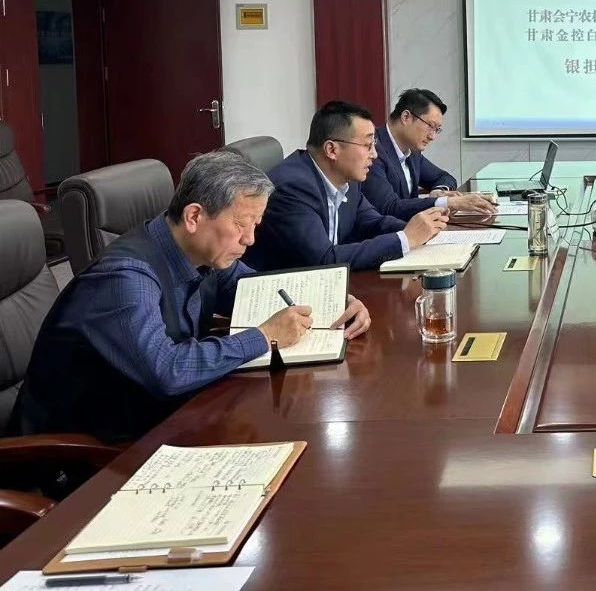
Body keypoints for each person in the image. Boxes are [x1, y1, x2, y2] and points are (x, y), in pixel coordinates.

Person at [12, 151, 372, 442]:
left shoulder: (204, 253)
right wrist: (264, 336)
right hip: (89, 453)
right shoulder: (126, 279)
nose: (250, 240)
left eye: (255, 226)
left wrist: (333, 301)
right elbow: (167, 370)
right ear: (194, 216)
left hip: (162, 418)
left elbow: (255, 289)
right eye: (240, 225)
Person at [243, 101, 449, 272]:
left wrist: (420, 229)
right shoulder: (292, 188)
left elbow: (374, 222)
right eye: (367, 145)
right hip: (284, 294)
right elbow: (323, 260)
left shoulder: (347, 179)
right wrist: (405, 239)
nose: (374, 155)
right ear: (332, 150)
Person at [365, 88, 496, 219]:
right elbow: (389, 207)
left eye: (437, 129)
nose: (432, 136)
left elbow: (445, 177)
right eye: (430, 126)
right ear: (406, 117)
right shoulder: (372, 151)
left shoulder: (412, 152)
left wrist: (438, 192)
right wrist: (448, 202)